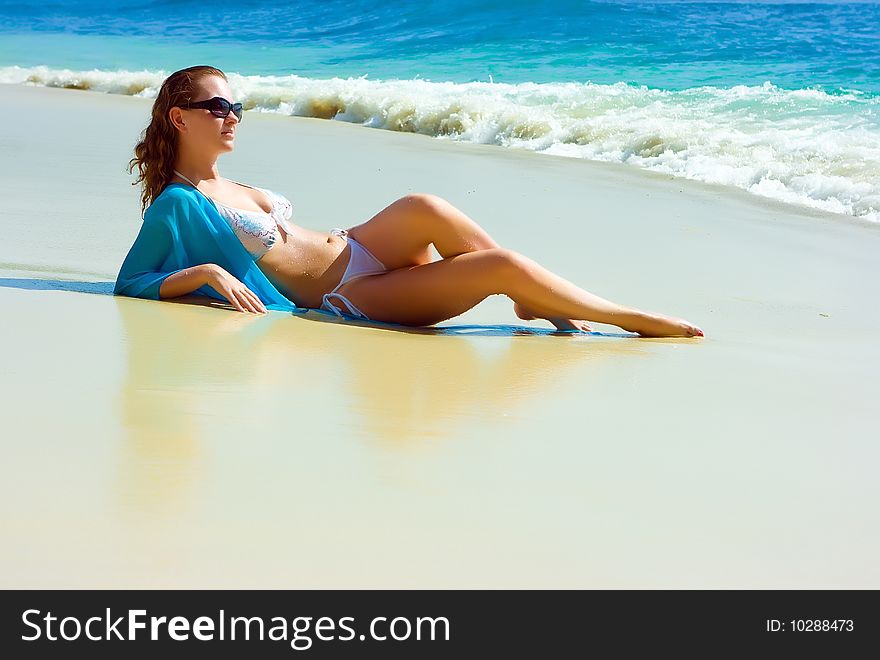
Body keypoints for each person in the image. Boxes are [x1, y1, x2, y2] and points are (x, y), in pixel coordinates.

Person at [123, 65, 704, 338]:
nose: (232, 117)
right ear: (180, 118)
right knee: (499, 268)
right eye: (218, 108)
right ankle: (627, 317)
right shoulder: (178, 203)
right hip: (347, 292)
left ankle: (533, 302)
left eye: (236, 108)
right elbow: (133, 280)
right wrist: (202, 272)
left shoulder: (236, 185)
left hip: (354, 246)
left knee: (425, 204)